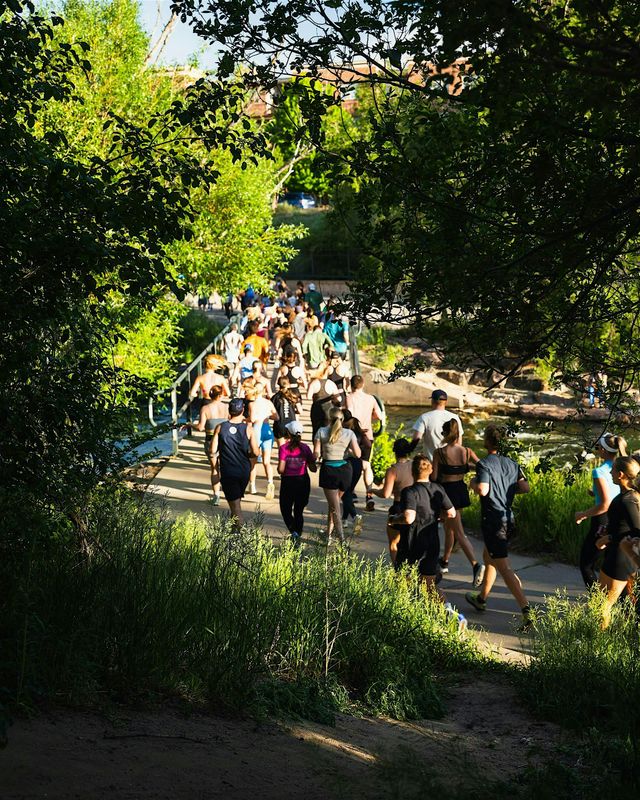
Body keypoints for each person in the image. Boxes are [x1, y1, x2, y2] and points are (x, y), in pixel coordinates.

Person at [465, 425, 532, 632]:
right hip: (508, 518)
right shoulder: (513, 463)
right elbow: (525, 487)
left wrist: (473, 483)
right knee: (489, 557)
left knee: (504, 567)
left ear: (487, 442)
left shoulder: (484, 464)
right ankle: (482, 598)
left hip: (494, 521)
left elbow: (483, 490)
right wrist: (506, 491)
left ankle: (527, 611)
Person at [389, 455, 456, 598]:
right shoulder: (438, 488)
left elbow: (408, 518)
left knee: (401, 585)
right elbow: (451, 513)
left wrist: (394, 519)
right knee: (429, 587)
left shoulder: (410, 492)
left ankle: (399, 613)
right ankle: (449, 613)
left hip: (411, 542)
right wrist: (439, 517)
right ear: (431, 470)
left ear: (412, 472)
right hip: (432, 542)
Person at [432, 419, 484, 587]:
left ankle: (475, 565)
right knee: (450, 529)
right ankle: (445, 561)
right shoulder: (467, 452)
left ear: (446, 434)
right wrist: (467, 469)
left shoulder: (439, 453)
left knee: (457, 532)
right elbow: (482, 466)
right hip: (459, 490)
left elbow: (433, 477)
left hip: (445, 493)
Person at [575, 433, 626, 587]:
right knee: (613, 564)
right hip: (621, 517)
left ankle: (599, 603)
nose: (597, 450)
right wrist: (595, 492)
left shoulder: (599, 471)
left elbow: (604, 504)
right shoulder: (623, 467)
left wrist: (582, 515)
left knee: (586, 563)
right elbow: (615, 493)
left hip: (602, 521)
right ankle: (622, 603)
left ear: (603, 450)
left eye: (598, 447)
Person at [594, 456, 640, 627]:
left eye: (612, 470)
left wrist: (610, 537)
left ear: (620, 474)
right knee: (625, 605)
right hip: (619, 554)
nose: (610, 472)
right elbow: (623, 524)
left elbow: (637, 531)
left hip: (621, 557)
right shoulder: (628, 495)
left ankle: (598, 645)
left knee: (602, 605)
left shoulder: (629, 499)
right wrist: (608, 529)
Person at [314, 407, 361, 544]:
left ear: (328, 418)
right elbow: (358, 454)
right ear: (343, 419)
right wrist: (348, 450)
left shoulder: (321, 432)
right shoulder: (349, 433)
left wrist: (313, 459)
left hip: (329, 470)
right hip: (345, 471)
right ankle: (328, 535)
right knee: (333, 505)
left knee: (334, 507)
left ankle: (341, 540)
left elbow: (316, 454)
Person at [209, 397, 259, 525]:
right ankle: (233, 533)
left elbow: (212, 450)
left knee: (236, 508)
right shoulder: (249, 429)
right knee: (235, 503)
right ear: (243, 410)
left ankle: (240, 537)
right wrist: (248, 453)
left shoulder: (220, 427)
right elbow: (256, 452)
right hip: (244, 471)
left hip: (228, 472)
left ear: (229, 410)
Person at [372, 438, 415, 564]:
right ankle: (410, 569)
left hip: (398, 507)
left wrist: (373, 490)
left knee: (394, 543)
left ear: (394, 451)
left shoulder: (393, 470)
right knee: (410, 542)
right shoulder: (415, 465)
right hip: (414, 507)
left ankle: (397, 572)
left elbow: (385, 494)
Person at [346, 375, 384, 511]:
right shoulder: (371, 398)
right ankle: (369, 495)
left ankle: (351, 492)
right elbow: (379, 416)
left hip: (352, 434)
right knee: (366, 465)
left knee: (351, 463)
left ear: (351, 385)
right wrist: (370, 415)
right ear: (363, 385)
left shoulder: (349, 398)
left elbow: (348, 414)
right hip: (367, 435)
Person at [278, 420, 317, 544]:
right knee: (299, 510)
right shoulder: (305, 448)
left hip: (288, 482)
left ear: (288, 433)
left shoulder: (283, 448)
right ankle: (298, 533)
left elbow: (281, 469)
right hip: (302, 481)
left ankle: (293, 531)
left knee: (285, 509)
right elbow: (313, 468)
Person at [192, 385, 228, 505]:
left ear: (210, 395)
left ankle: (216, 496)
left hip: (210, 440)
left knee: (214, 469)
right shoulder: (226, 407)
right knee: (226, 466)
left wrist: (189, 425)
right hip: (225, 440)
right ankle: (229, 492)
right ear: (221, 395)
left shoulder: (205, 408)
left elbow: (200, 427)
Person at [245, 385, 278, 500]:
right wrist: (266, 415)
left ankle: (252, 485)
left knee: (252, 461)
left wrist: (245, 419)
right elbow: (276, 417)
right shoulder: (268, 403)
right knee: (266, 461)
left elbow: (253, 419)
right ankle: (270, 482)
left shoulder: (252, 404)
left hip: (256, 431)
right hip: (267, 430)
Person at [411, 390, 463, 461]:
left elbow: (416, 439)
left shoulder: (424, 417)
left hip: (430, 464)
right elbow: (459, 442)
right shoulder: (455, 417)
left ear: (432, 401)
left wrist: (407, 451)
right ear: (446, 402)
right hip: (450, 462)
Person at [341, 410, 365, 535]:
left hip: (348, 463)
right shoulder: (358, 431)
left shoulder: (345, 432)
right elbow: (368, 445)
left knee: (345, 493)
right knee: (348, 492)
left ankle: (355, 517)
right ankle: (344, 519)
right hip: (358, 463)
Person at [271, 376, 302, 445]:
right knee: (292, 447)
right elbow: (300, 410)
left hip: (280, 424)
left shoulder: (275, 397)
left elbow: (271, 412)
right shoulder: (293, 395)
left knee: (282, 449)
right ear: (288, 384)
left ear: (278, 384)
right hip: (291, 424)